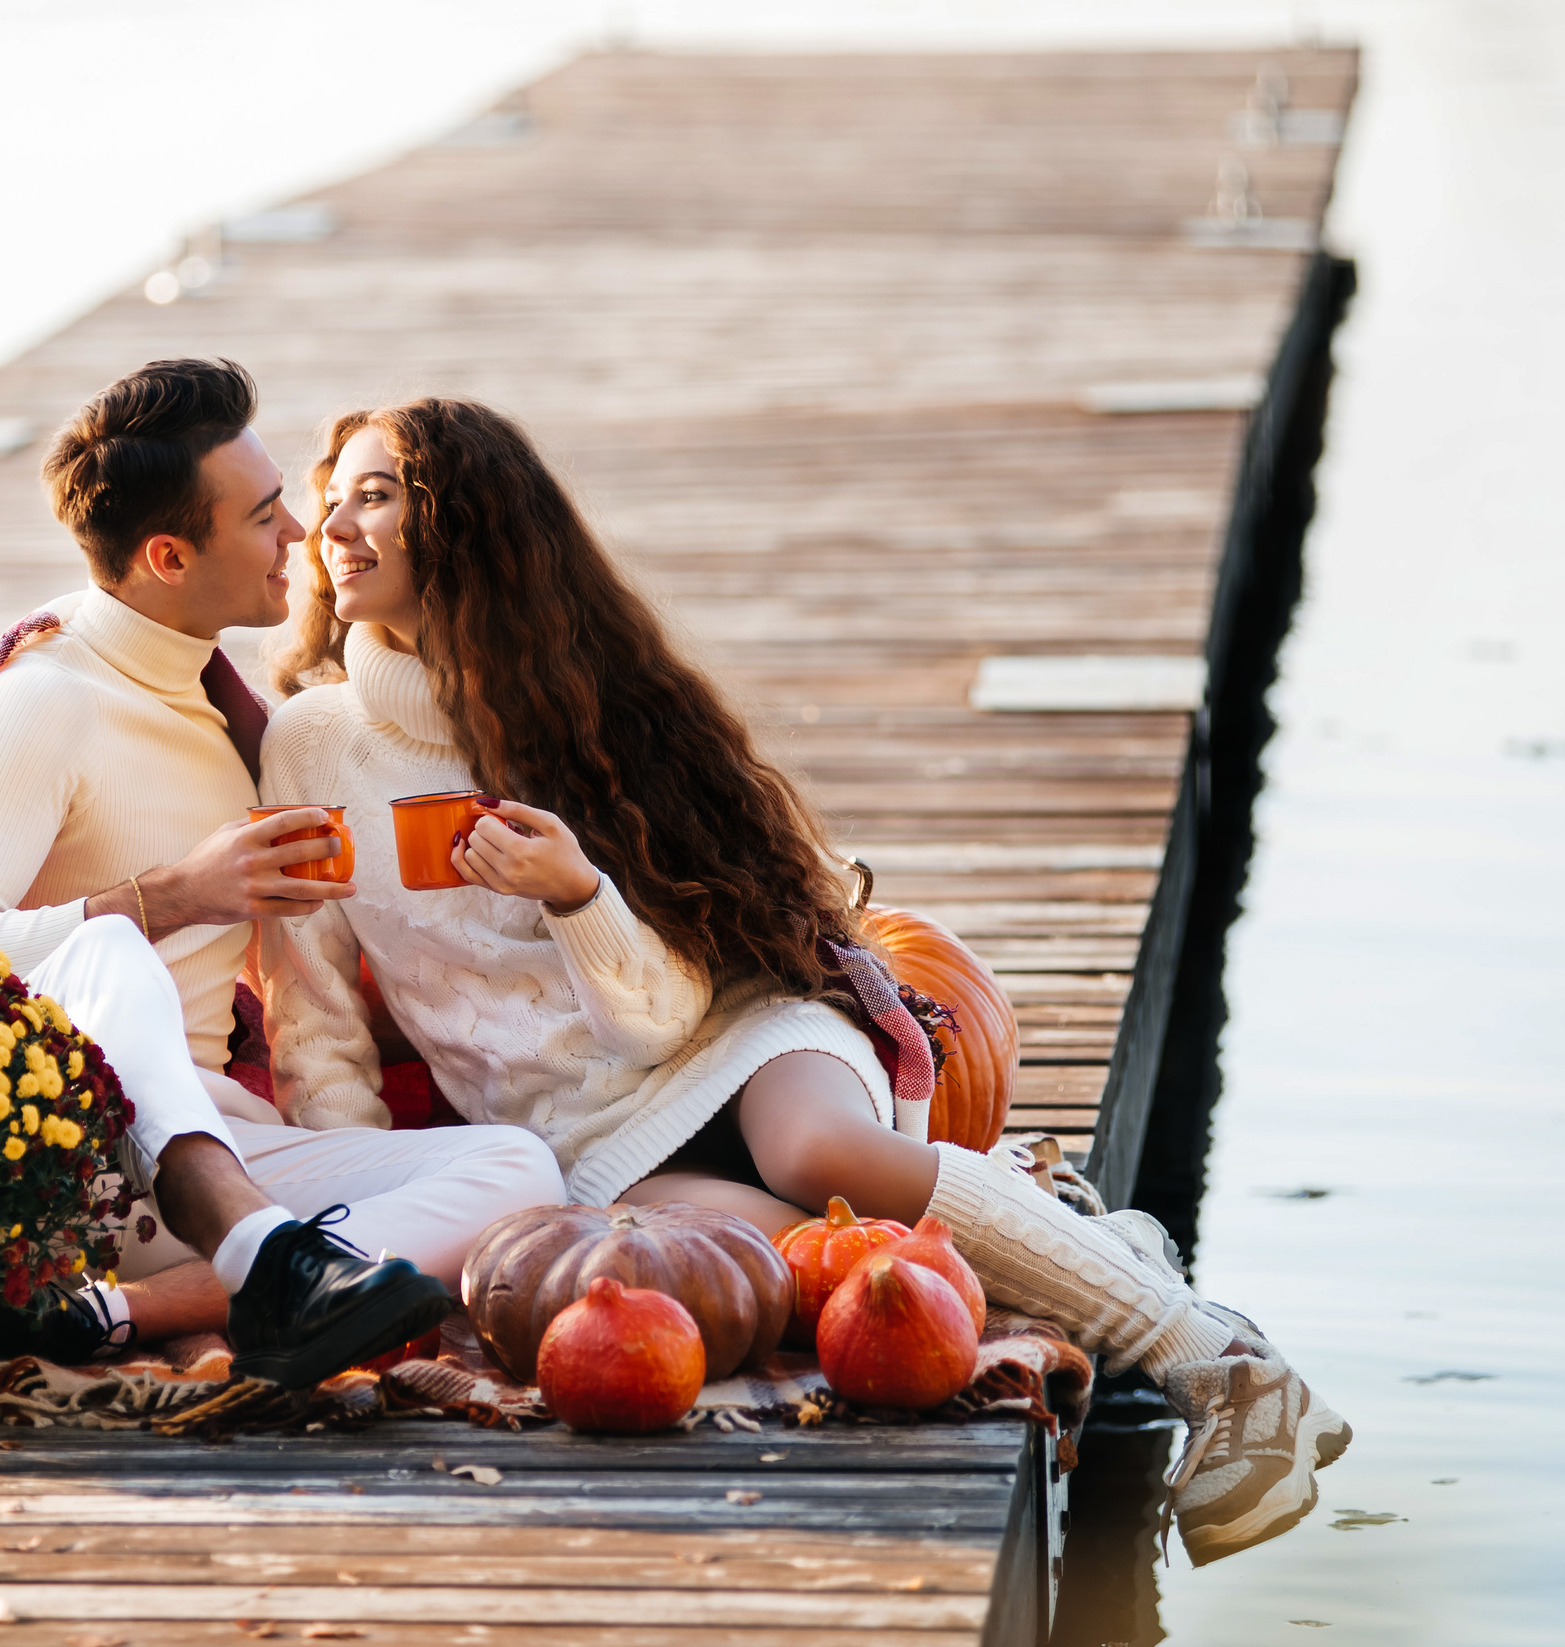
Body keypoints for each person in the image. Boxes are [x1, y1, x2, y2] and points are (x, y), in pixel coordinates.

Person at [254, 397, 1351, 1563]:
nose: (336, 527)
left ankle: (1220, 1370)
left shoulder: (593, 714)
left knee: (818, 1158)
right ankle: (1100, 1260)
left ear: (467, 523)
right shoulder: (309, 746)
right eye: (330, 505)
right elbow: (312, 1009)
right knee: (827, 1276)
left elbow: (668, 1014)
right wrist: (364, 1231)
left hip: (732, 1034)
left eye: (374, 495)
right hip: (576, 1134)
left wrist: (578, 896)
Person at [0, 360, 565, 1389]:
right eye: (262, 515)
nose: (299, 533)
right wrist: (172, 896)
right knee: (110, 946)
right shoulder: (44, 702)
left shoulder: (214, 703)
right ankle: (260, 1261)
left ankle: (131, 1311)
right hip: (68, 1158)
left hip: (208, 1145)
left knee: (520, 1170)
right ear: (167, 555)